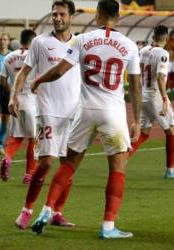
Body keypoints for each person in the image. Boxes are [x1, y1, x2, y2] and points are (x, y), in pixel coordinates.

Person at [30, 0, 142, 239]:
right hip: (112, 112)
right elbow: (135, 86)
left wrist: (38, 80)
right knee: (118, 168)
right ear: (118, 17)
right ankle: (108, 227)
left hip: (84, 110)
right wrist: (138, 119)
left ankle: (46, 211)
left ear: (98, 15)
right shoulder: (130, 45)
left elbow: (60, 70)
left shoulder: (82, 39)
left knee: (69, 164)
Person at [10, 0, 81, 229]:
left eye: (62, 14)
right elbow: (24, 73)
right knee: (46, 162)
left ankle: (57, 213)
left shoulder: (80, 43)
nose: (57, 18)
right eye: (54, 14)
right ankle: (27, 209)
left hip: (74, 113)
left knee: (68, 165)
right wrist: (14, 96)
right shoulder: (40, 42)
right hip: (48, 111)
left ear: (72, 16)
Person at [129, 25, 174, 177]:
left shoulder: (142, 50)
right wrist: (165, 98)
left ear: (153, 36)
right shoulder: (163, 54)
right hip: (155, 96)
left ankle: (121, 158)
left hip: (144, 95)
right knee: (171, 131)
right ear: (166, 38)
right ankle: (170, 170)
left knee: (144, 133)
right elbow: (161, 78)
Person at [0, 29, 37, 184]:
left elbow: (2, 80)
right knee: (34, 139)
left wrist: (13, 92)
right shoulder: (35, 56)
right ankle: (29, 174)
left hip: (15, 101)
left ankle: (7, 157)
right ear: (33, 41)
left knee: (16, 136)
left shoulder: (9, 57)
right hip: (32, 100)